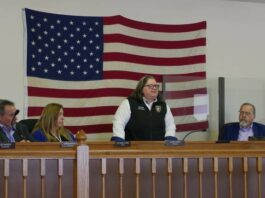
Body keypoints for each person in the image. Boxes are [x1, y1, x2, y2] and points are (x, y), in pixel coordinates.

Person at [111, 75, 177, 141]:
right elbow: (119, 122)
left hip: (158, 149)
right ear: (141, 88)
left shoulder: (163, 106)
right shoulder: (129, 103)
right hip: (134, 148)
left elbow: (170, 126)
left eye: (156, 86)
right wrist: (119, 141)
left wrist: (169, 140)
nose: (154, 88)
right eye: (150, 86)